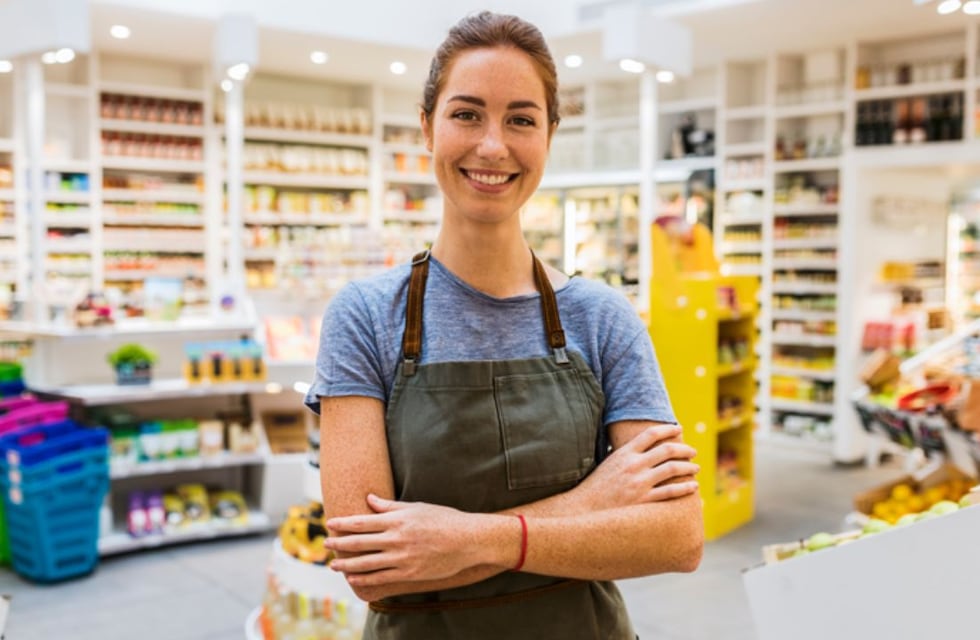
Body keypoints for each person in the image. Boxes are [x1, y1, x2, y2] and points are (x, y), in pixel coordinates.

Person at [304, 10, 703, 639]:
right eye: (467, 114)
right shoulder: (363, 317)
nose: (493, 145)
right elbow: (374, 570)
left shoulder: (601, 317)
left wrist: (466, 539)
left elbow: (677, 537)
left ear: (549, 137)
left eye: (521, 118)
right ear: (427, 128)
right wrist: (591, 506)